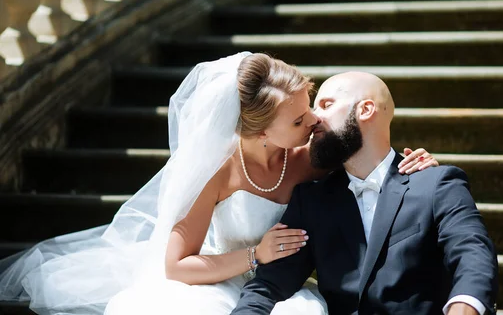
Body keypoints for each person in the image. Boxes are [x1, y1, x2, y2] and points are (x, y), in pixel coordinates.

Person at [0, 53, 439, 315]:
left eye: (311, 108)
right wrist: (255, 254)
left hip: (277, 289)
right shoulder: (217, 169)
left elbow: (371, 162)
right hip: (210, 281)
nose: (316, 121)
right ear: (261, 131)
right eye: (300, 118)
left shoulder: (311, 158)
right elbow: (176, 266)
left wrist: (410, 163)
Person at [232, 71, 499, 315]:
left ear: (366, 109)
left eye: (325, 105)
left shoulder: (436, 183)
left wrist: (464, 307)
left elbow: (472, 254)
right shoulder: (310, 200)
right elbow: (269, 284)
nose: (313, 119)